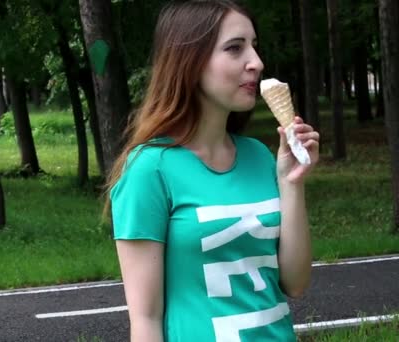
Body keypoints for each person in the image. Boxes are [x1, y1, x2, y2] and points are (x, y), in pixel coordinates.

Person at [105, 1, 320, 341]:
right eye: (235, 48)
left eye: (254, 47)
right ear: (189, 61)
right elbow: (145, 319)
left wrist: (291, 184)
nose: (257, 63)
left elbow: (294, 282)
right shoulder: (149, 170)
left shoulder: (260, 157)